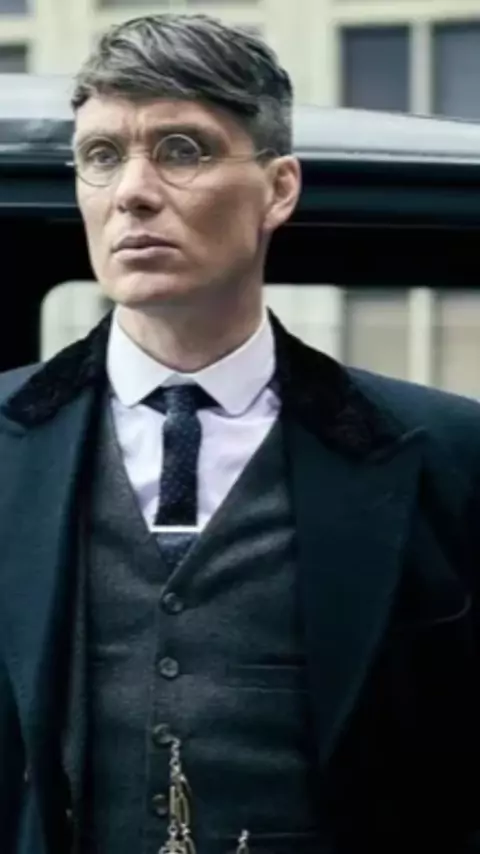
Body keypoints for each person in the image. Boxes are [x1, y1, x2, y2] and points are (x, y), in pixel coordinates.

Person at [1, 12, 480, 854]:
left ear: (279, 189)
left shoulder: (447, 454)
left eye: (182, 150)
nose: (133, 192)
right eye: (102, 155)